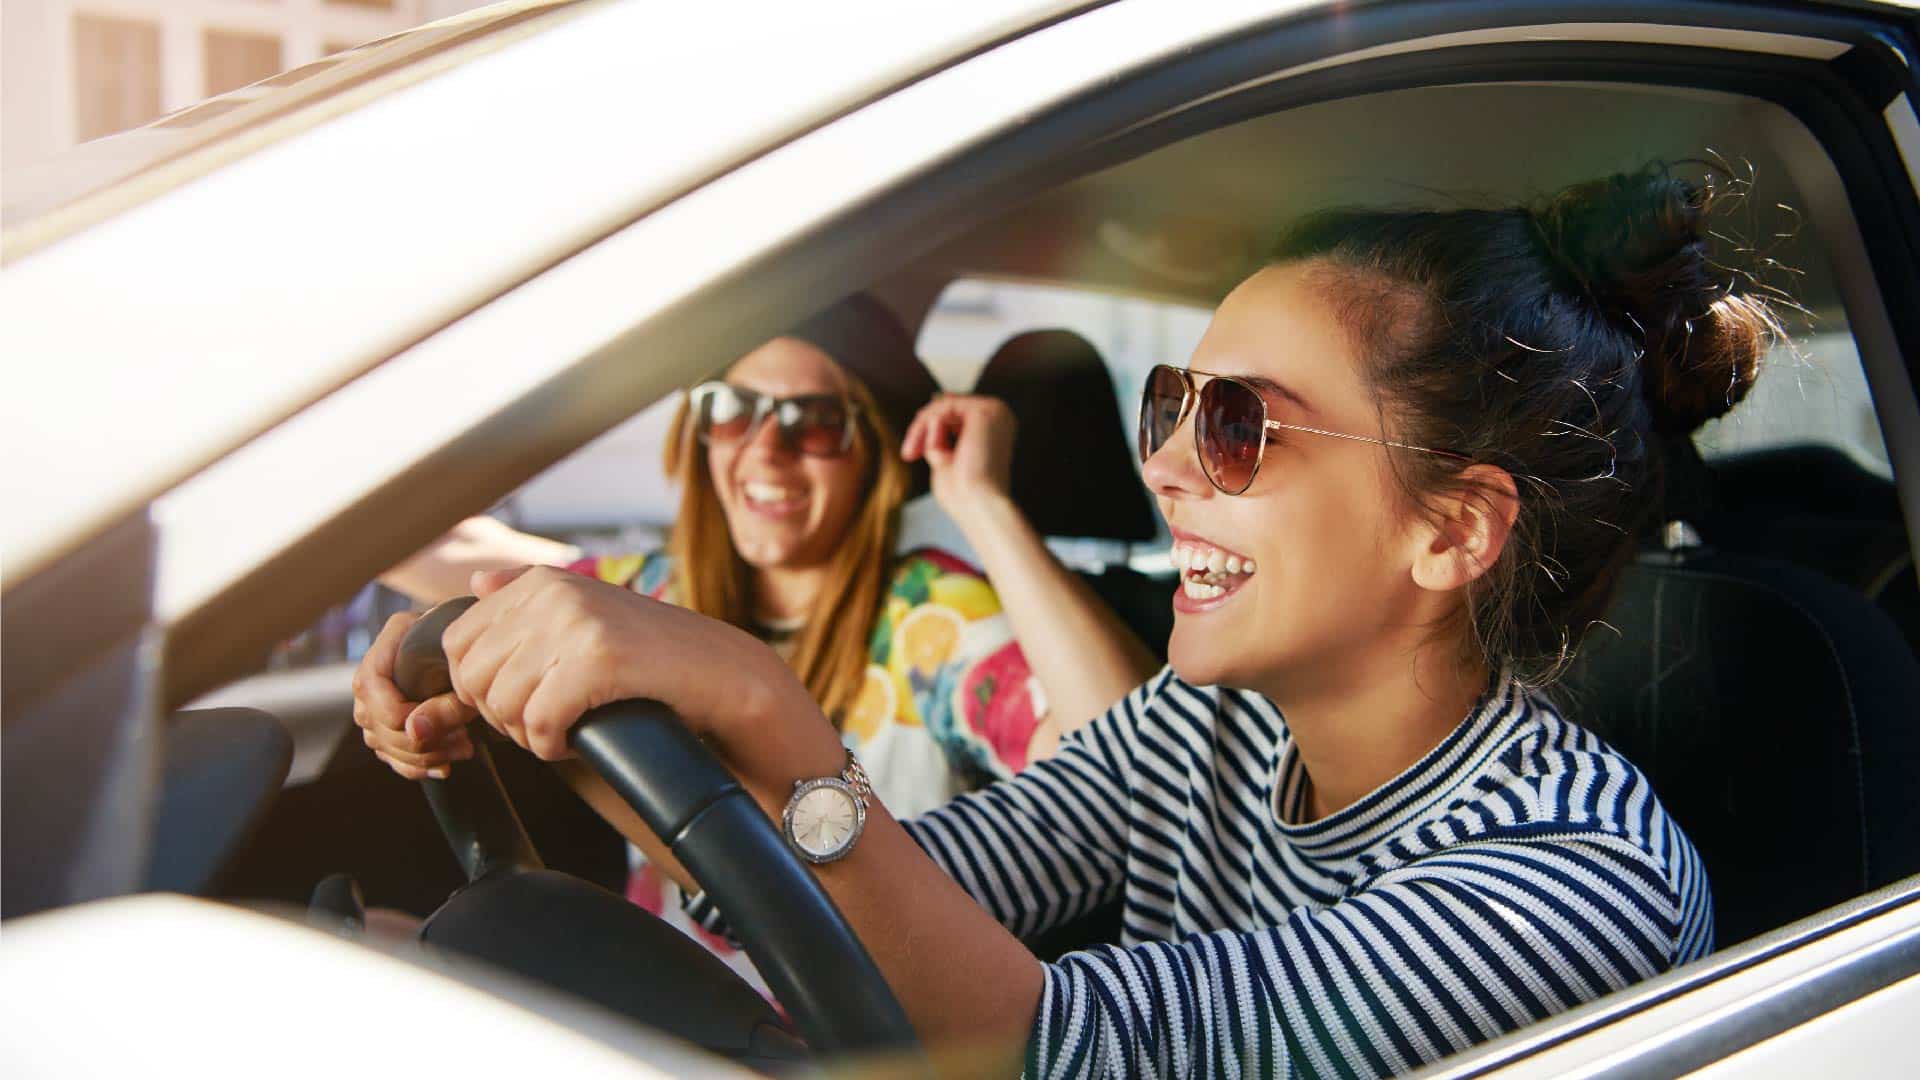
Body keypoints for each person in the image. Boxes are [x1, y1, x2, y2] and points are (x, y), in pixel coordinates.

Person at [353, 166, 1771, 1076]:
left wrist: (762, 708)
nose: (1159, 465)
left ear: (1447, 528)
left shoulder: (1576, 877)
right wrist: (537, 693)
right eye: (1171, 405)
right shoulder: (1205, 722)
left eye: (1235, 427)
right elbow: (866, 889)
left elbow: (1066, 1057)